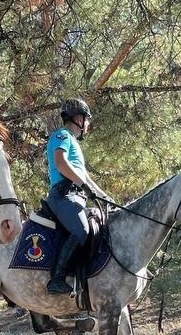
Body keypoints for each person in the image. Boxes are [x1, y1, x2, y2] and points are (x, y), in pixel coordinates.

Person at [44, 97, 111, 294]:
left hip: (76, 195)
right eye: (87, 119)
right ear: (78, 118)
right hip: (63, 195)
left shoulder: (73, 142)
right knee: (82, 230)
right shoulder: (62, 136)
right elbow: (61, 163)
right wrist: (83, 185)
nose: (88, 124)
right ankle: (57, 278)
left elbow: (85, 178)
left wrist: (104, 196)